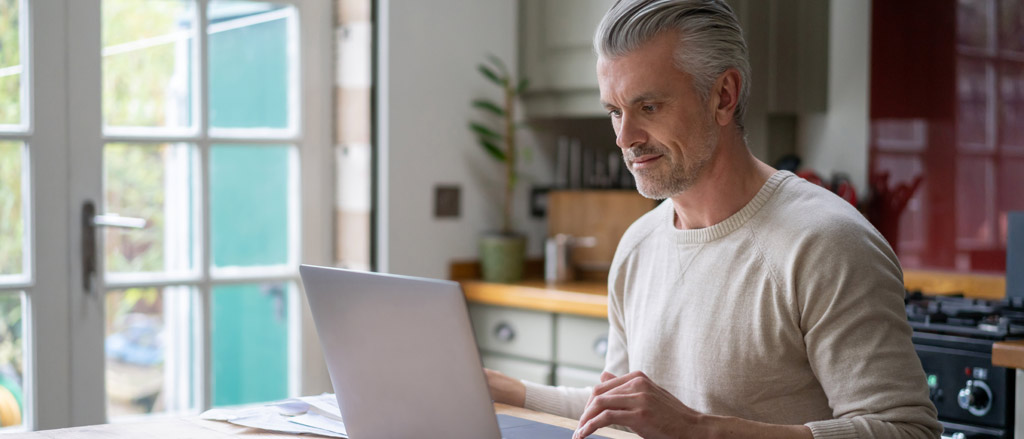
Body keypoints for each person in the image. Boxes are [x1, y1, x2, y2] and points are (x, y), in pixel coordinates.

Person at [485, 1, 942, 438]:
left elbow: (904, 431)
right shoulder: (638, 245)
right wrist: (512, 393)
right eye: (614, 112)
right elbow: (624, 413)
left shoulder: (826, 243)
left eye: (649, 107)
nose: (625, 138)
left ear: (724, 96)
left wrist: (698, 431)